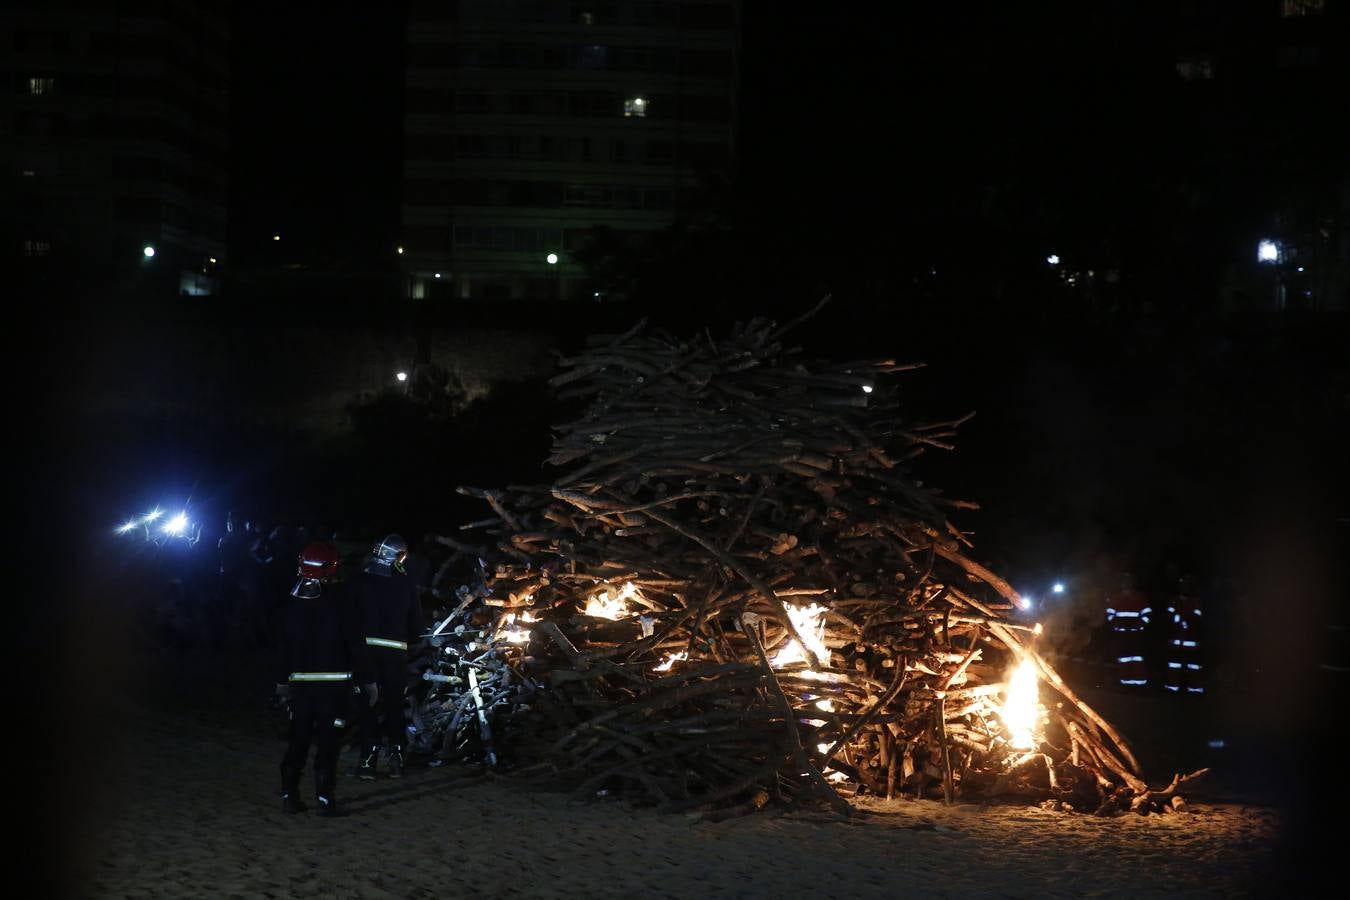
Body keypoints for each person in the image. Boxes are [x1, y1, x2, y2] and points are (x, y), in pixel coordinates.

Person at [274, 541, 377, 817]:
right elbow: (357, 643)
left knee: (299, 740)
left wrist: (282, 681)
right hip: (334, 687)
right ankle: (325, 799)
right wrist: (368, 680)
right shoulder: (343, 600)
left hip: (301, 688)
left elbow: (283, 647)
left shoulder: (291, 602)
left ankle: (289, 795)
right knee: (328, 743)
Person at [352, 533, 425, 779]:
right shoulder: (406, 584)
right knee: (394, 706)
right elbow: (417, 626)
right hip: (396, 653)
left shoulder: (360, 580)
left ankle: (368, 761)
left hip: (366, 651)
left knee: (368, 704)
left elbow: (350, 619)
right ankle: (396, 759)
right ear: (399, 557)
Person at [1105, 572, 1151, 688]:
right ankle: (1125, 683)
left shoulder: (1139, 597)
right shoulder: (1116, 597)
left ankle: (1139, 683)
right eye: (1125, 582)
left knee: (1137, 658)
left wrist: (1138, 625)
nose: (1127, 584)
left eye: (1129, 582)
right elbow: (1110, 615)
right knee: (1124, 659)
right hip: (1122, 634)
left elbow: (1147, 615)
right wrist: (1118, 625)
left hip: (1136, 634)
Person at [1162, 574, 1206, 694]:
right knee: (1174, 665)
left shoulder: (1195, 601)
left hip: (1191, 640)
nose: (1184, 588)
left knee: (1193, 666)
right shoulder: (1174, 601)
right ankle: (1172, 688)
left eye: (1186, 585)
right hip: (1176, 640)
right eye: (1182, 585)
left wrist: (1187, 620)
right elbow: (1169, 617)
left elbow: (1198, 618)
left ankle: (1194, 690)